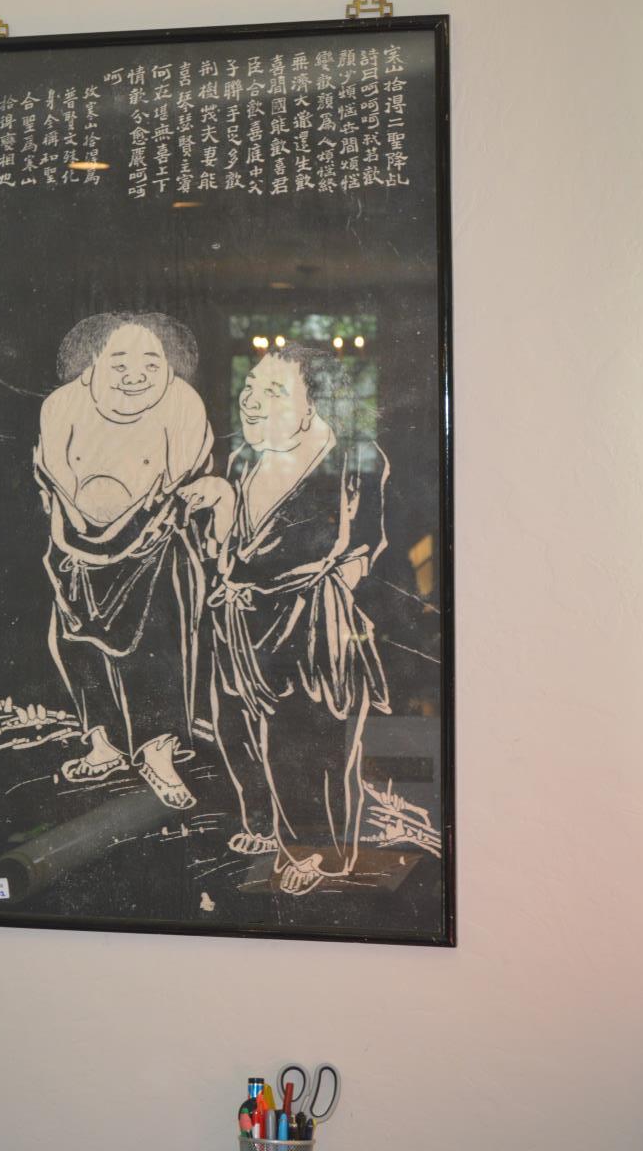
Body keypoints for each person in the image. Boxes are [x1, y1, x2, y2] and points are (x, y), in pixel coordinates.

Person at [180, 344, 390, 893]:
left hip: (308, 622)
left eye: (273, 392)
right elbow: (222, 553)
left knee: (308, 738)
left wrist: (331, 594)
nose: (251, 401)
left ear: (314, 403)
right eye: (249, 388)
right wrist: (220, 507)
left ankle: (315, 850)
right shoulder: (240, 460)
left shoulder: (352, 458)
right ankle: (260, 823)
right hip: (238, 622)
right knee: (237, 727)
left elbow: (359, 543)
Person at [35, 312, 212, 810]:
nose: (136, 375)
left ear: (171, 366)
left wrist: (136, 528)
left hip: (152, 549)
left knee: (155, 649)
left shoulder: (183, 404)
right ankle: (103, 743)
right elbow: (56, 475)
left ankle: (158, 751)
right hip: (74, 547)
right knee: (76, 645)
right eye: (120, 363)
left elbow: (178, 479)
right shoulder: (61, 405)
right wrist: (83, 530)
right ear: (91, 362)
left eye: (151, 363)